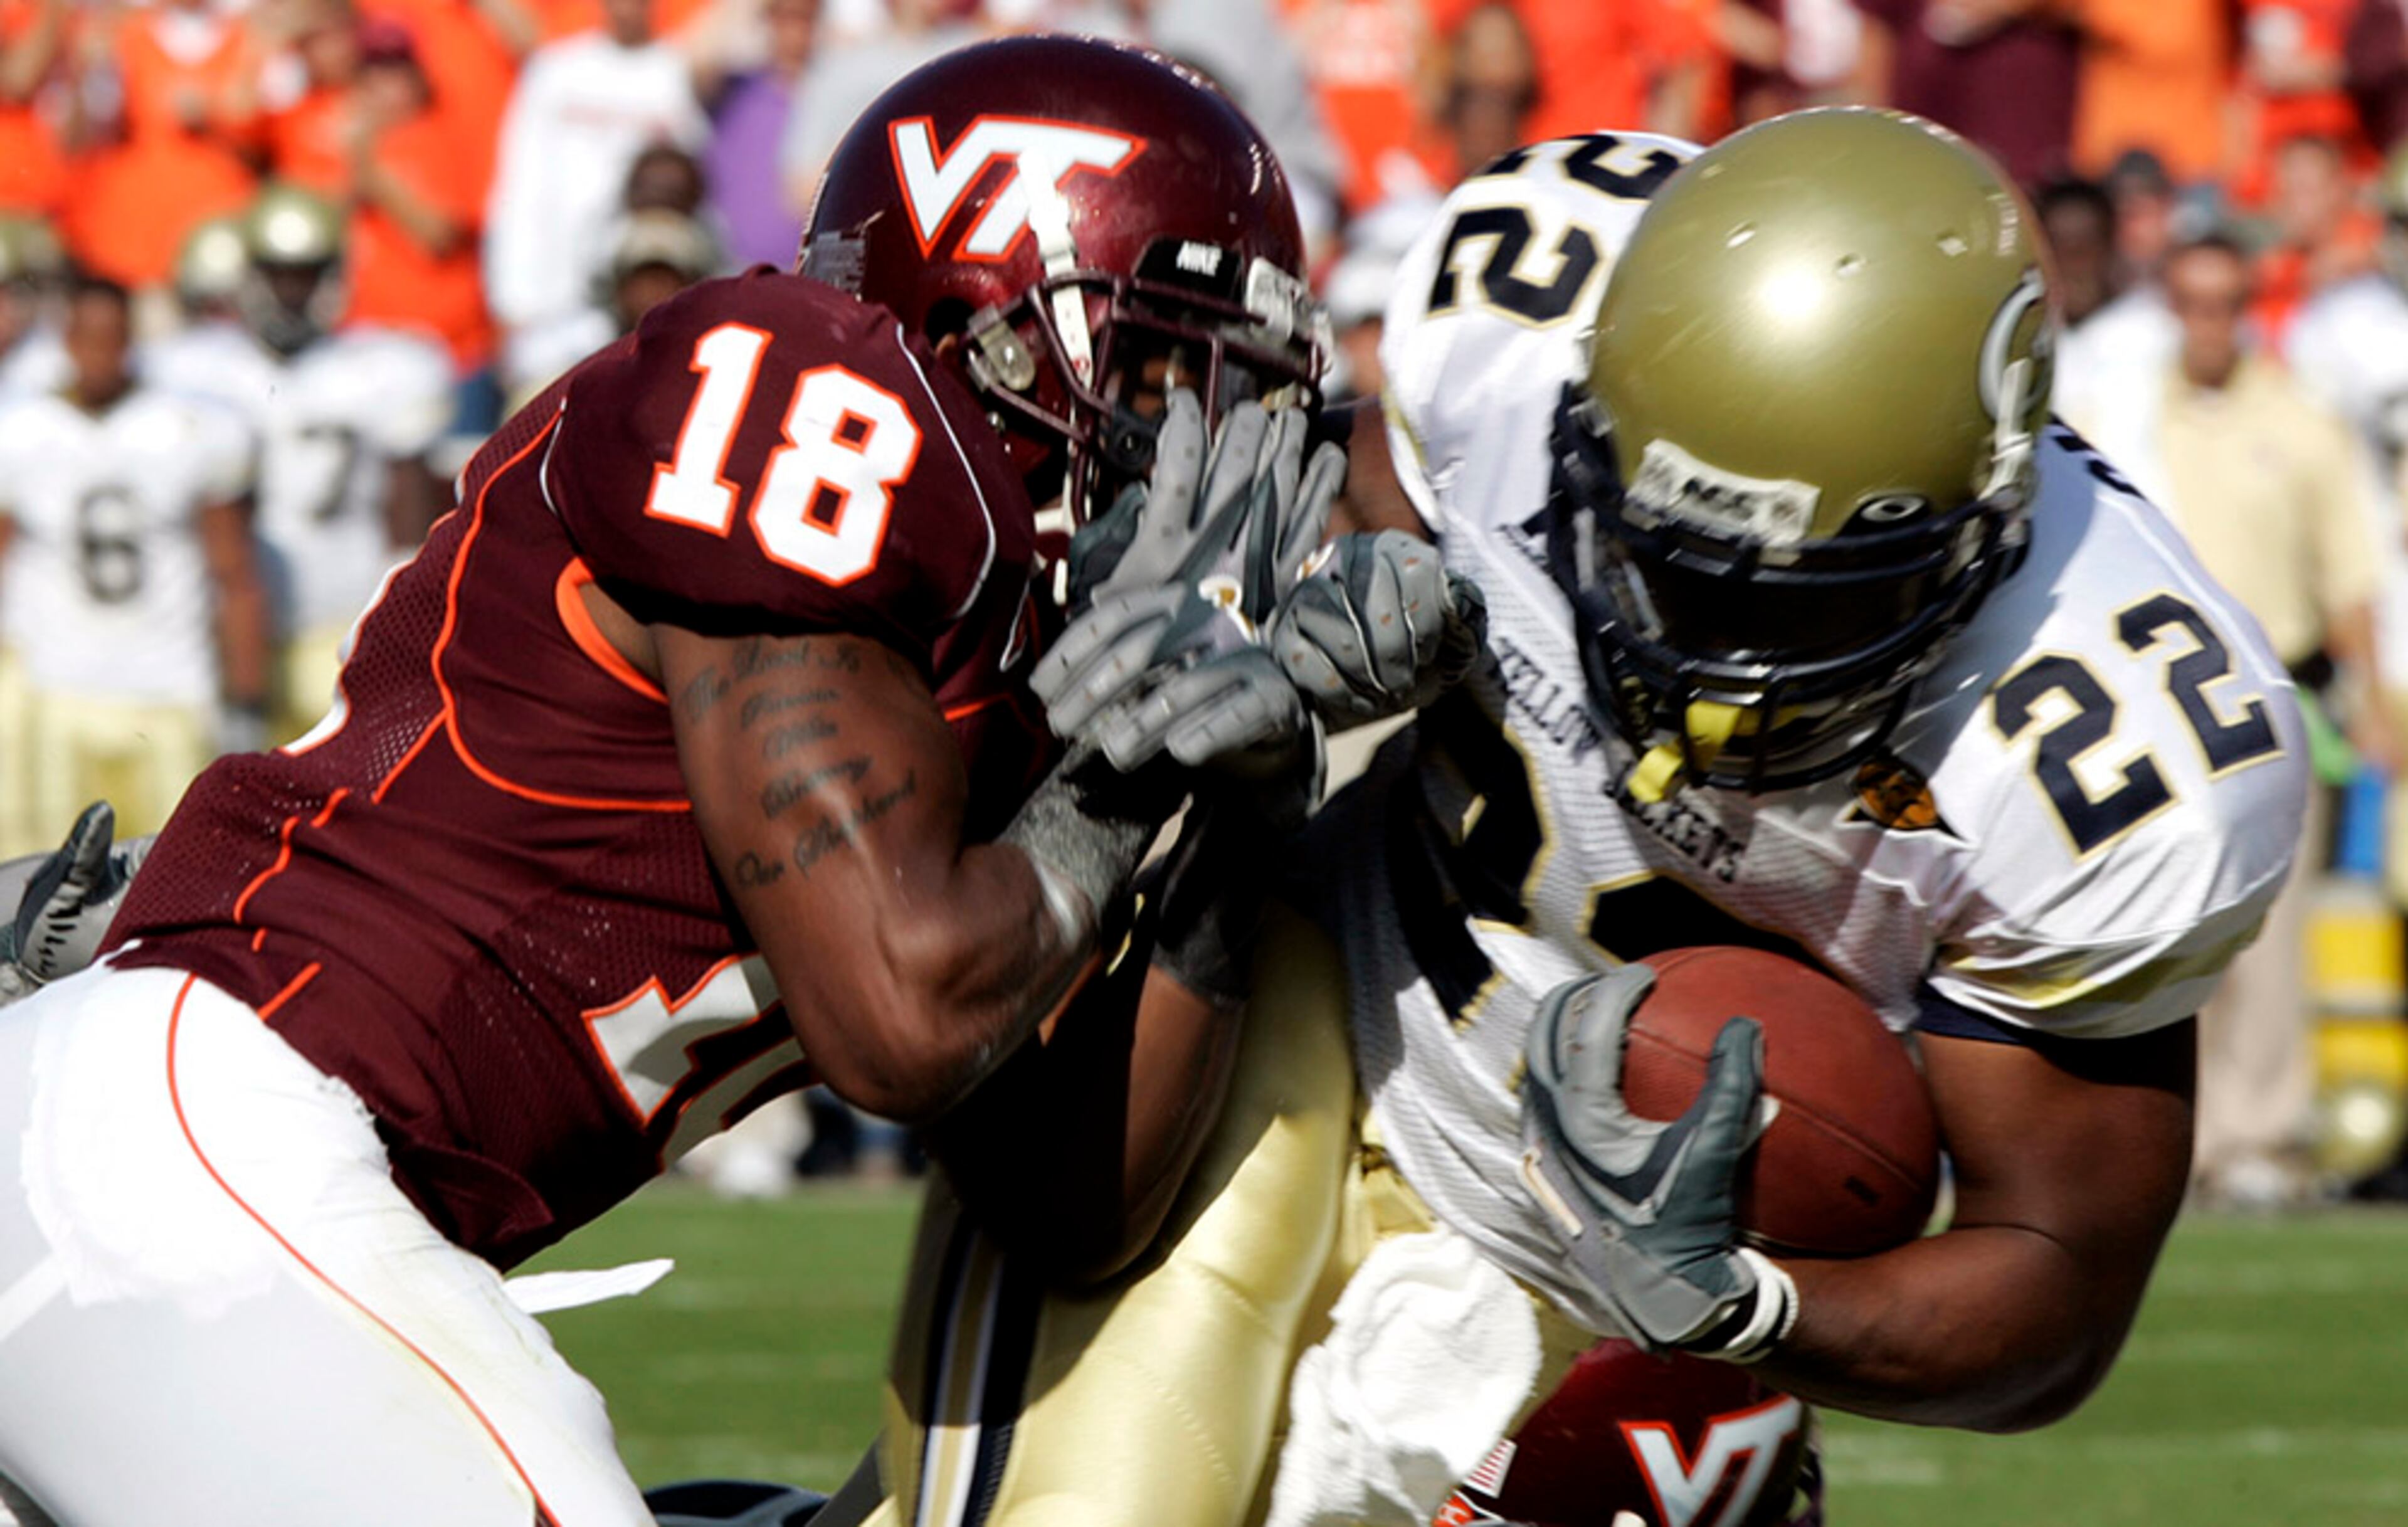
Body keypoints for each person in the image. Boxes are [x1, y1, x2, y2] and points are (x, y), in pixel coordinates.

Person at [0, 37, 1468, 1526]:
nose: (1206, 445)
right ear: (989, 323)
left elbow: (1067, 1202)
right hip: (196, 1154)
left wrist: (1240, 779)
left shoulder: (1002, 670)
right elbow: (900, 1015)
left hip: (254, 1211)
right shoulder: (810, 388)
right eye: (1160, 366)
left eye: (1240, 390)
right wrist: (1125, 772)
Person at [835, 110, 2306, 1527]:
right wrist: (1277, 627)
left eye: (1785, 597)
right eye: (1671, 562)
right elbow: (1281, 534)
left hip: (1633, 1295)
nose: (1708, 651)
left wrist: (1742, 1300)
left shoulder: (2110, 742)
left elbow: (2050, 1281)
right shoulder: (1516, 340)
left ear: (1977, 525)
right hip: (1321, 1023)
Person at [144, 182, 457, 742]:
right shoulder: (189, 367)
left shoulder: (384, 364)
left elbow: (409, 512)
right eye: (279, 273)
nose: (292, 292)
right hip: (225, 635)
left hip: (344, 624)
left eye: (306, 273)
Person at [0, 275, 268, 845]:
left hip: (169, 692)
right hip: (60, 693)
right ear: (65, 340)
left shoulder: (191, 428)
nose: (101, 353)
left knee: (170, 883)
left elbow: (234, 575)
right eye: (88, 338)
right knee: (46, 896)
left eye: (113, 338)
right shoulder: (20, 431)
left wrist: (246, 702)